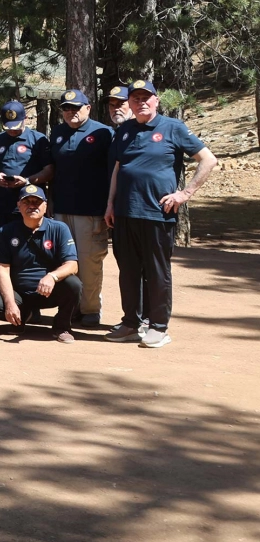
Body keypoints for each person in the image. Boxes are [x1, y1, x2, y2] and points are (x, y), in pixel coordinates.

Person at [105, 79, 218, 348]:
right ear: (129, 104)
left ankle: (158, 326)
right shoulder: (125, 130)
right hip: (124, 212)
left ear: (156, 101)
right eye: (135, 99)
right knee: (128, 270)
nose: (141, 102)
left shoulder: (173, 127)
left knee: (157, 271)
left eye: (146, 98)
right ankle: (131, 323)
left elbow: (208, 159)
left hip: (157, 212)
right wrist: (110, 203)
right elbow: (118, 169)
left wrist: (184, 194)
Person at [36, 89, 113, 328]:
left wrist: (109, 206)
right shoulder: (57, 133)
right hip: (61, 209)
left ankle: (90, 310)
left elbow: (114, 172)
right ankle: (71, 307)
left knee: (88, 262)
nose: (71, 112)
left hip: (91, 210)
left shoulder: (103, 133)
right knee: (63, 261)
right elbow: (53, 171)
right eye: (66, 108)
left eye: (76, 108)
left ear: (88, 108)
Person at [0, 184, 81, 342]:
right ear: (19, 205)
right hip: (20, 293)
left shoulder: (59, 228)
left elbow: (72, 264)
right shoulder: (6, 231)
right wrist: (10, 303)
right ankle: (23, 315)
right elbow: (3, 270)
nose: (32, 206)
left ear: (45, 205)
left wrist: (52, 277)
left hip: (49, 292)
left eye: (37, 202)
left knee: (74, 284)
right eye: (27, 202)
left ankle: (62, 326)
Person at [0, 100, 51, 225]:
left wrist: (27, 181)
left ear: (25, 119)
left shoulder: (38, 140)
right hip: (0, 205)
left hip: (30, 205)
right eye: (8, 127)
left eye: (16, 127)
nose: (12, 131)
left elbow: (49, 171)